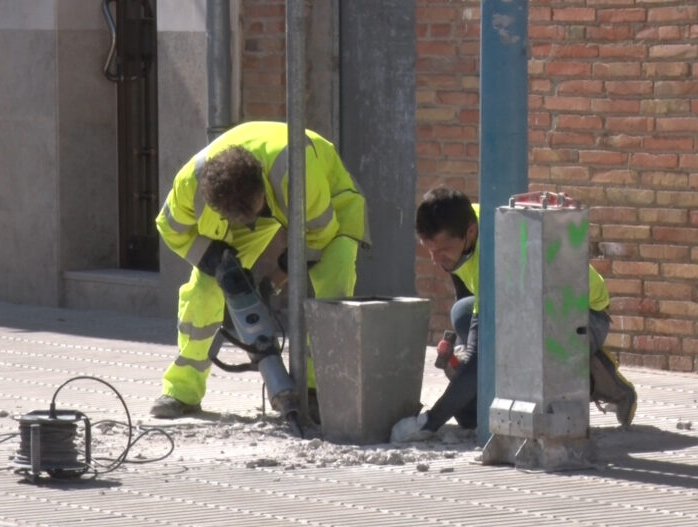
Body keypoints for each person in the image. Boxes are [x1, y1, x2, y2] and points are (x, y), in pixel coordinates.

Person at [150, 121, 370, 419]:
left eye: (253, 212)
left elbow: (318, 237)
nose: (252, 223)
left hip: (327, 205)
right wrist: (218, 263)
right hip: (249, 208)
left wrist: (274, 281)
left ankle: (316, 390)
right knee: (204, 289)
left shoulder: (297, 170)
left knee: (334, 282)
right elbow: (170, 229)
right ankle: (182, 390)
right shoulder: (191, 185)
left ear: (261, 186)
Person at [391, 186, 637, 442]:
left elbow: (482, 354)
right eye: (429, 249)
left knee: (525, 357)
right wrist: (463, 359)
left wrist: (429, 422)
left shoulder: (495, 253)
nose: (435, 258)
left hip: (581, 315)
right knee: (464, 321)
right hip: (530, 307)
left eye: (442, 250)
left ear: (470, 233)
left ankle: (603, 379)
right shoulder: (461, 230)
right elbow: (470, 307)